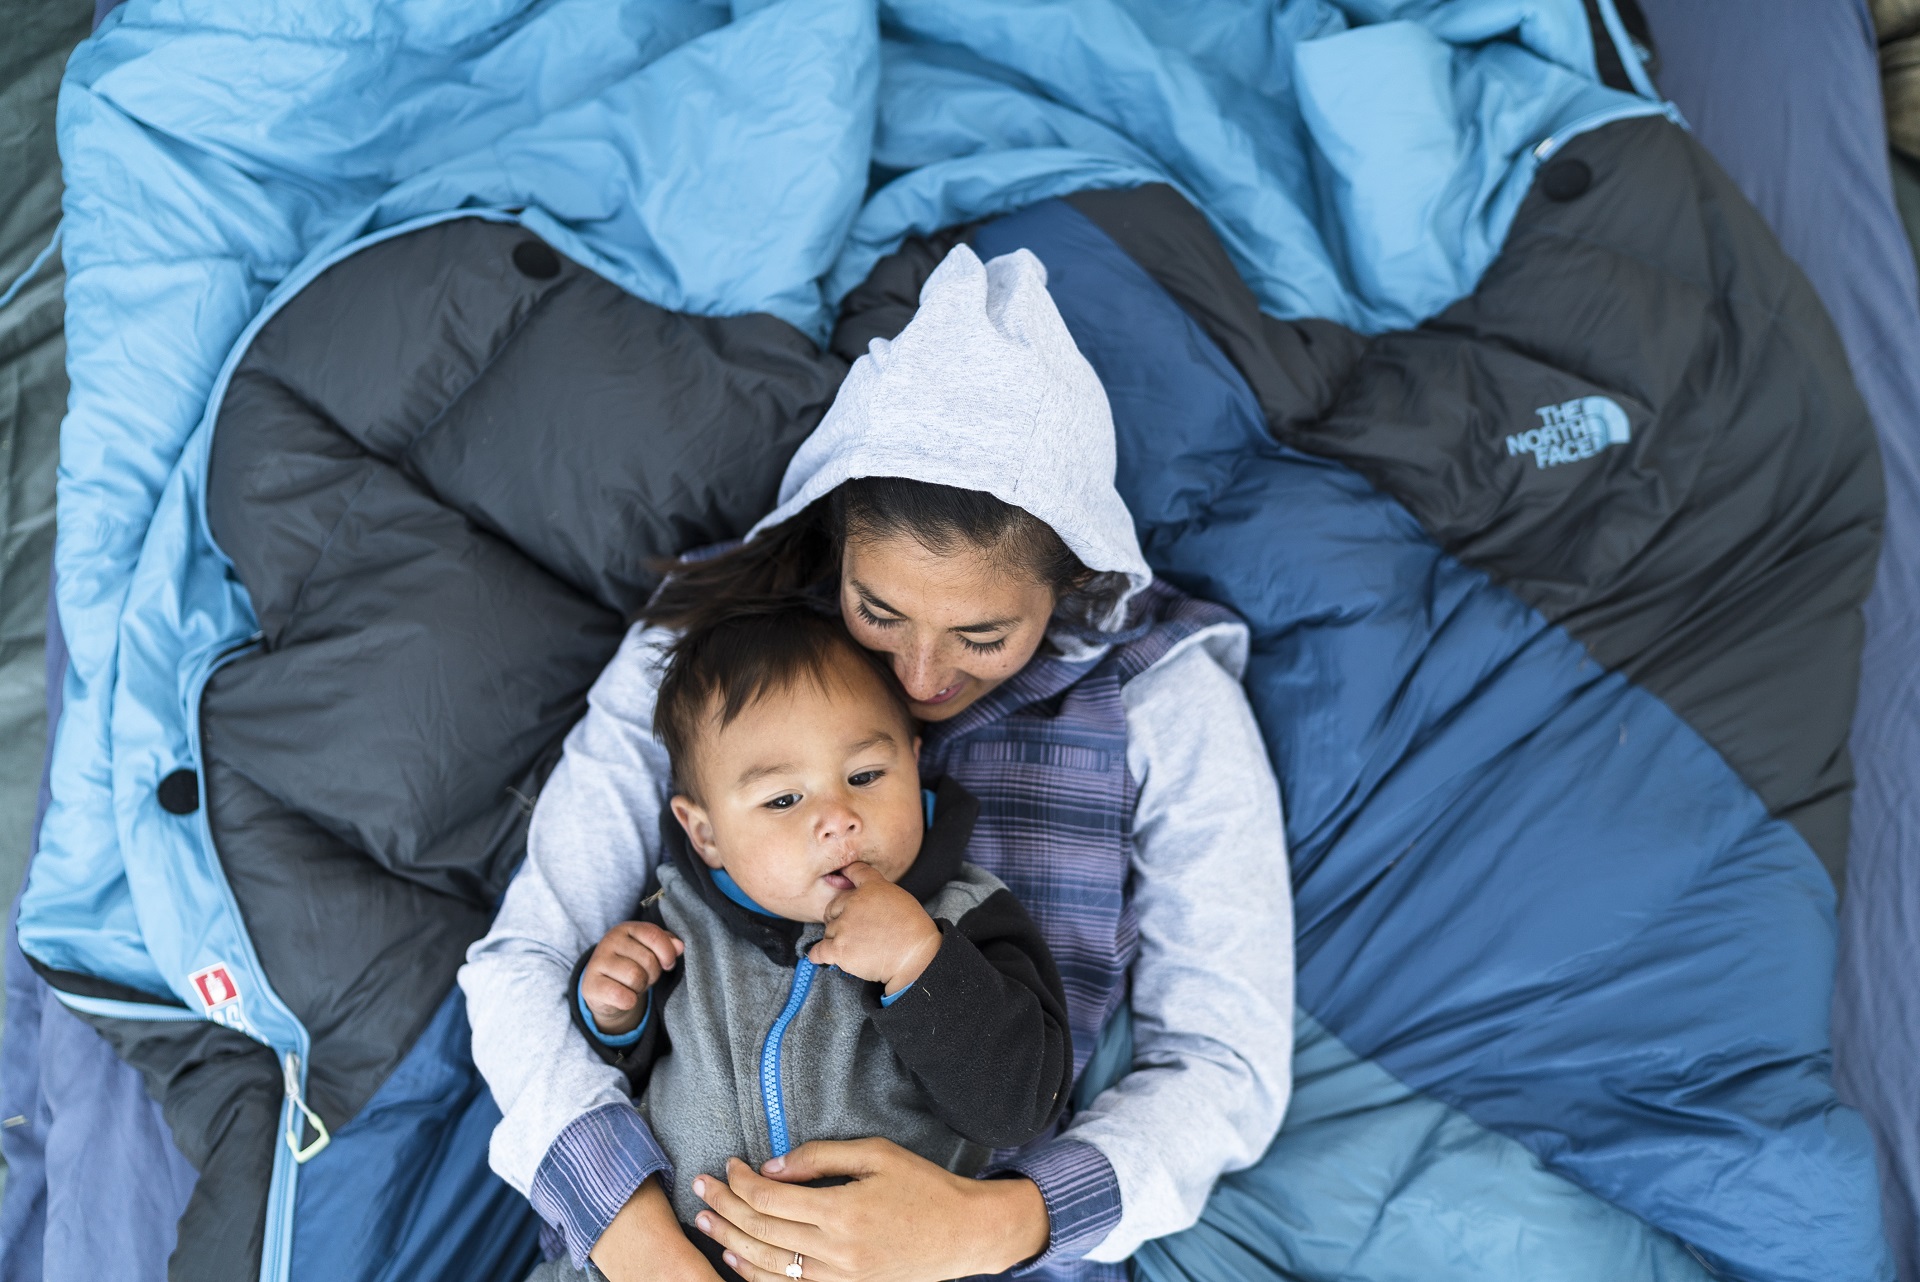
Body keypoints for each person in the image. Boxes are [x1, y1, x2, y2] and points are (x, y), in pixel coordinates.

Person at [461, 243, 1294, 1282]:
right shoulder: (705, 659)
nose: (920, 674)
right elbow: (524, 966)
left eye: (983, 635)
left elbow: (1226, 1068)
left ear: (1074, 579)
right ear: (835, 535)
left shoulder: (1166, 700)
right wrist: (643, 1247)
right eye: (879, 609)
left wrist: (989, 1224)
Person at [571, 603, 1073, 1278]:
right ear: (705, 833)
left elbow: (1022, 1108)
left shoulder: (967, 916)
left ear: (914, 765)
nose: (838, 819)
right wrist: (615, 1015)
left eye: (866, 777)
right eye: (783, 800)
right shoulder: (677, 922)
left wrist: (917, 961)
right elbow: (611, 1079)